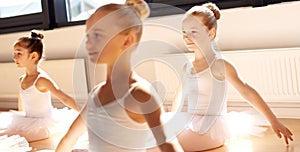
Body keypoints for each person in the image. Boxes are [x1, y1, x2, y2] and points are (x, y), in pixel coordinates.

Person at [55, 0, 181, 151]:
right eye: (88, 36)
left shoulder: (139, 94)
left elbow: (167, 144)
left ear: (127, 40)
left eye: (97, 35)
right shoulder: (96, 94)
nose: (88, 43)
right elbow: (69, 138)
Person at [170, 2, 294, 151]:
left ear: (211, 33)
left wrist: (274, 121)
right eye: (184, 31)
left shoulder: (219, 64)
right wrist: (171, 120)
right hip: (190, 121)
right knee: (152, 135)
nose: (187, 36)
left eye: (194, 31)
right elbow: (179, 97)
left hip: (211, 127)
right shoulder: (187, 66)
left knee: (164, 146)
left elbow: (246, 91)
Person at [0, 30, 80, 142]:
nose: (14, 58)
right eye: (14, 53)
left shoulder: (41, 80)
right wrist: (20, 122)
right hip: (28, 120)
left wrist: (84, 113)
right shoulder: (21, 79)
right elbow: (22, 104)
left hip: (42, 124)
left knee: (12, 137)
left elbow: (64, 98)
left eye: (19, 53)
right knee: (6, 132)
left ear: (33, 56)